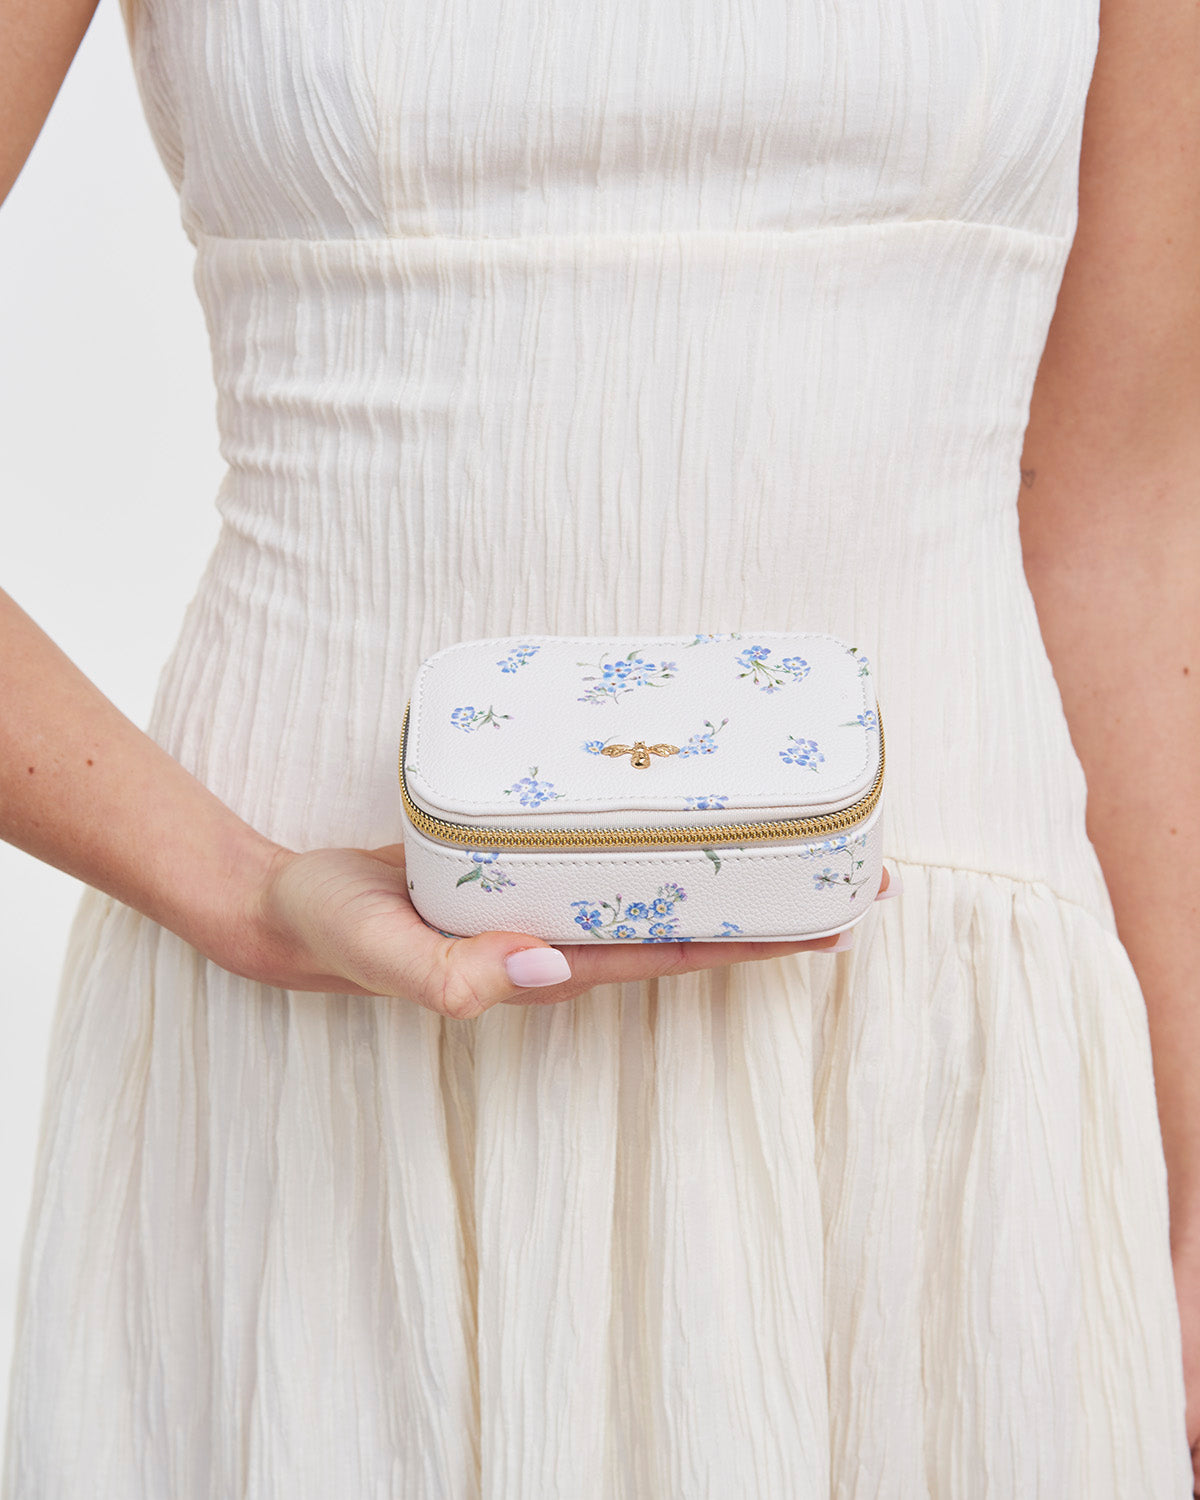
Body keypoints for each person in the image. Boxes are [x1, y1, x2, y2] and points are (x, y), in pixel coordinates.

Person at [1, 0, 1196, 1493]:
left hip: (942, 1075)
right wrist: (234, 889)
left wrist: (1192, 1160)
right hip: (328, 1048)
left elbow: (1119, 514)